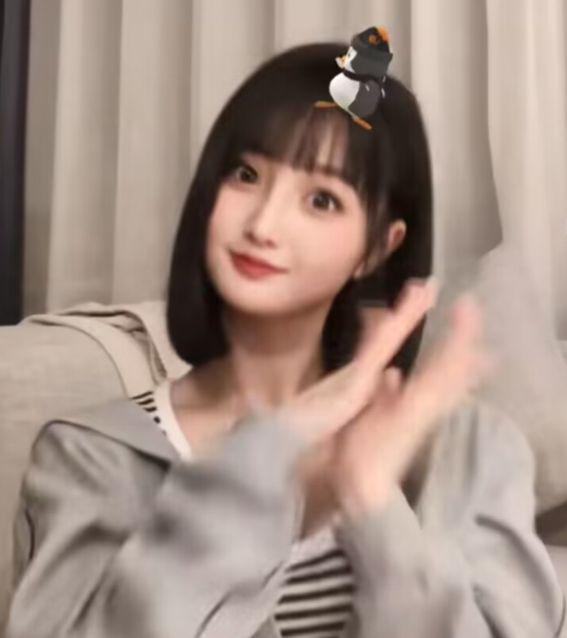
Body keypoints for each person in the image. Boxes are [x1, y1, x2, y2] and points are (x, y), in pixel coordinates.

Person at [6, 36, 566, 638]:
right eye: (246, 175)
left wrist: (373, 502)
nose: (264, 224)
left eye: (321, 200)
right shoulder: (90, 457)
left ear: (380, 246)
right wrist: (273, 448)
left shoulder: (473, 450)